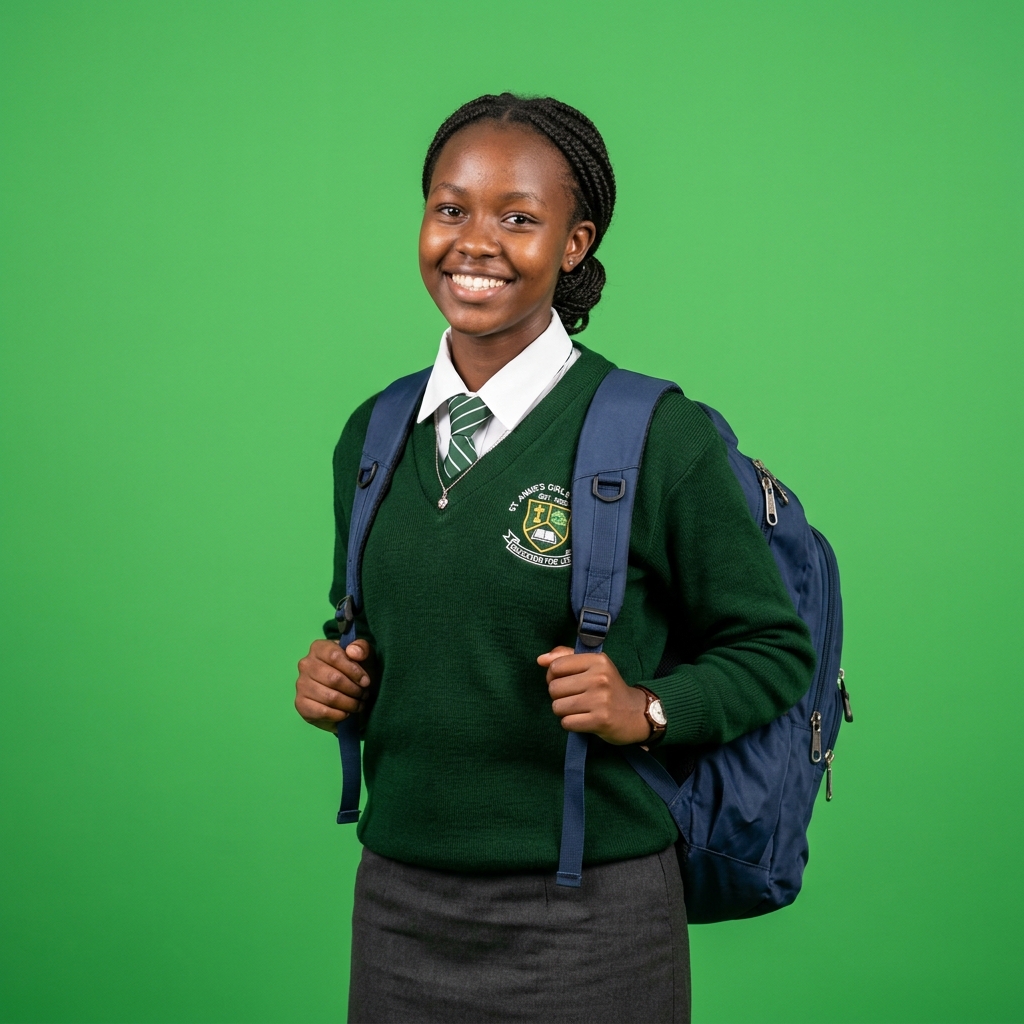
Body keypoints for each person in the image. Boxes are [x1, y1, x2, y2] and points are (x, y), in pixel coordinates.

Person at [294, 93, 815, 1024]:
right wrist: (341, 679)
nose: (474, 241)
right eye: (451, 208)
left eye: (519, 218)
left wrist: (647, 708)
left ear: (574, 245)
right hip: (399, 907)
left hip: (592, 918)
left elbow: (773, 648)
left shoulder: (656, 434)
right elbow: (390, 628)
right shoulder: (372, 435)